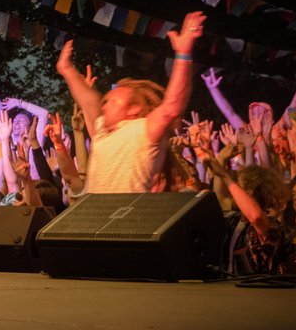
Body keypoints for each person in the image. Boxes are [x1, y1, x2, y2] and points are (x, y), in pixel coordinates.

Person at [56, 11, 207, 194]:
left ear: (134, 109)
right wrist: (67, 70)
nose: (105, 104)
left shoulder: (143, 130)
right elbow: (91, 102)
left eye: (112, 100)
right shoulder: (103, 131)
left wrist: (183, 54)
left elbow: (171, 107)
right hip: (95, 218)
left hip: (126, 218)